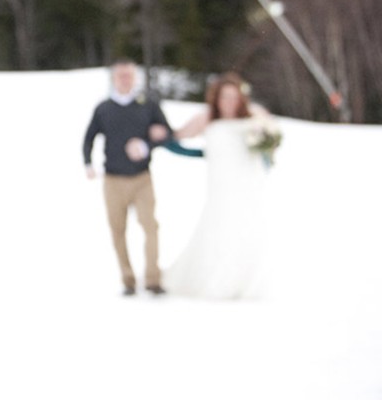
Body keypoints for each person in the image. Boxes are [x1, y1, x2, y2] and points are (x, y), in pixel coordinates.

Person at [164, 72, 275, 299]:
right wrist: (203, 154)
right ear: (216, 98)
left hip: (248, 186)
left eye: (234, 97)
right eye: (225, 97)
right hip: (221, 187)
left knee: (248, 229)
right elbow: (173, 140)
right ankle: (217, 280)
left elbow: (269, 148)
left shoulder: (255, 117)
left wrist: (266, 152)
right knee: (220, 228)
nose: (230, 102)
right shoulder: (206, 119)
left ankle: (245, 282)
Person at [83, 60, 172, 296]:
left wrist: (147, 144)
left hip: (142, 178)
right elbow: (89, 137)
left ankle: (153, 278)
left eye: (129, 76)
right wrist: (88, 163)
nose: (125, 80)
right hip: (113, 179)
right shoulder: (104, 108)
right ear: (114, 79)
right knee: (117, 229)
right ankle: (128, 279)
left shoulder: (147, 105)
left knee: (150, 226)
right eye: (121, 76)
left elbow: (166, 133)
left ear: (135, 78)